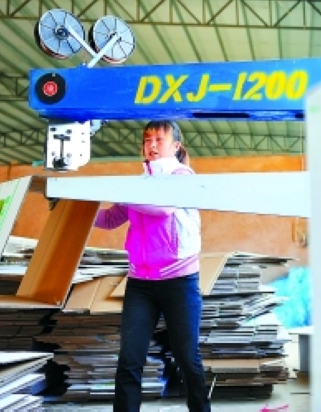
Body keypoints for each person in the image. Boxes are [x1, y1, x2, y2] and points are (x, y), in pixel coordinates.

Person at [94, 120, 210, 411]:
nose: (152, 145)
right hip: (141, 284)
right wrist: (76, 205)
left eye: (160, 139)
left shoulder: (183, 176)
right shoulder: (138, 185)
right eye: (148, 140)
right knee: (129, 359)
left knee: (186, 357)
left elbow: (162, 207)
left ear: (175, 146)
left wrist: (118, 190)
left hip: (179, 282)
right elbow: (110, 219)